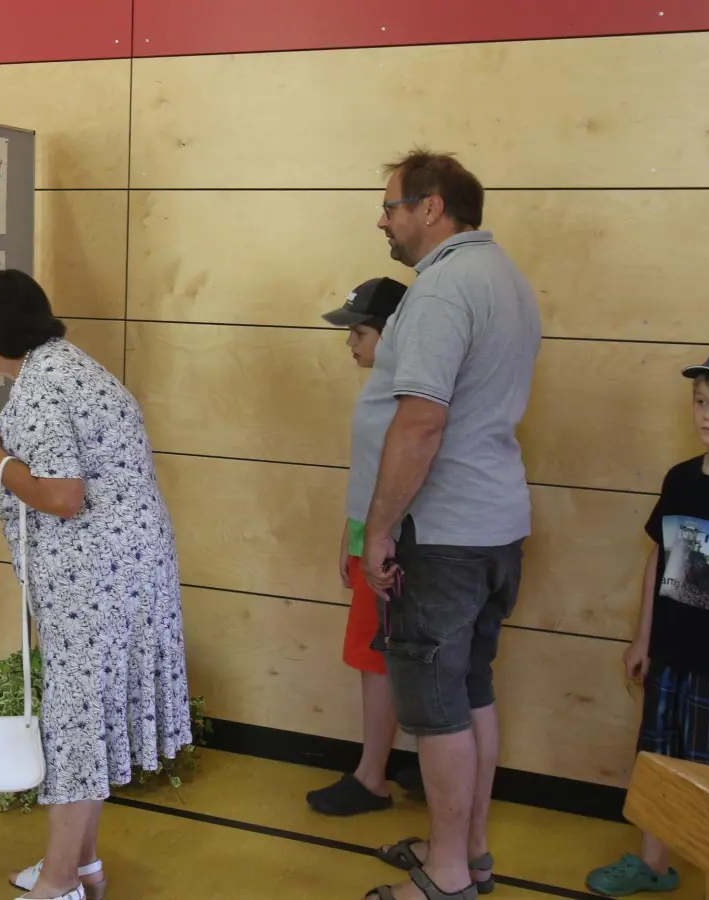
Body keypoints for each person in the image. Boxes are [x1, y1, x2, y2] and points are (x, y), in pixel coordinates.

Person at [0, 269, 192, 900]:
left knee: (75, 722)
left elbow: (62, 495)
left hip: (96, 582)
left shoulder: (43, 387)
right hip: (117, 573)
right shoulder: (59, 368)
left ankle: (60, 882)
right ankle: (80, 867)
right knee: (81, 718)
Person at [357, 150, 541, 900]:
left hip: (442, 535)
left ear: (432, 209)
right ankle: (468, 849)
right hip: (493, 526)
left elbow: (422, 421)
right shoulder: (506, 278)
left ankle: (447, 875)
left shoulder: (442, 287)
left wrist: (377, 529)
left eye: (392, 205)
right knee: (469, 690)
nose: (383, 219)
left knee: (435, 710)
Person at [584, 351, 709, 897]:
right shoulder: (681, 479)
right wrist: (645, 635)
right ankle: (653, 863)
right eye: (702, 402)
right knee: (659, 761)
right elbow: (660, 560)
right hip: (671, 655)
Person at [305, 276, 424, 816]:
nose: (350, 343)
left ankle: (372, 775)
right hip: (371, 540)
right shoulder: (384, 388)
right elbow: (370, 475)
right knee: (382, 658)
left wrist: (366, 539)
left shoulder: (407, 392)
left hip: (390, 547)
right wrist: (348, 534)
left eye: (358, 332)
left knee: (377, 660)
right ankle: (399, 766)